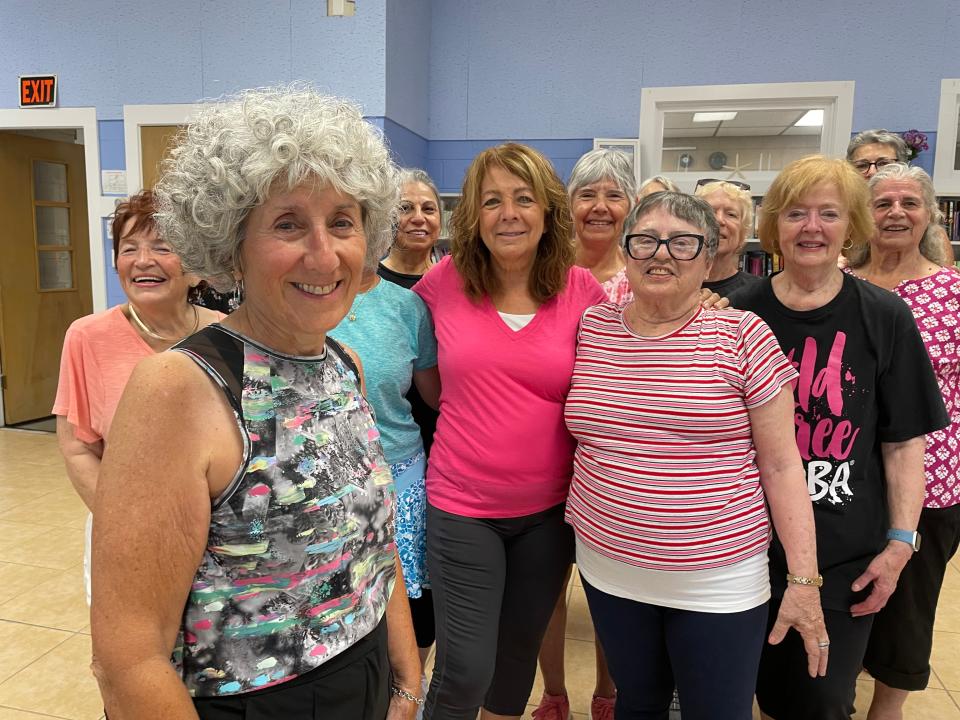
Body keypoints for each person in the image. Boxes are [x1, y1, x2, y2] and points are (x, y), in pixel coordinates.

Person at [90, 86, 421, 720]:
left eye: (343, 221)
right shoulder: (179, 390)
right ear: (231, 242)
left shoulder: (341, 364)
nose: (324, 254)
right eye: (289, 223)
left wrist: (405, 678)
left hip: (367, 673)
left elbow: (371, 543)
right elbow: (127, 661)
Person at [564, 190, 826, 720]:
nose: (661, 254)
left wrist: (803, 581)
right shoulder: (592, 328)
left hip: (718, 578)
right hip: (609, 567)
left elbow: (781, 465)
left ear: (709, 259)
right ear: (626, 251)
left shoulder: (742, 334)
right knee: (637, 705)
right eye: (646, 240)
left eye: (683, 243)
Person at [728, 156, 948, 720]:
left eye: (829, 213)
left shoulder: (885, 315)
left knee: (818, 699)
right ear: (775, 225)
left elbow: (903, 443)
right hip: (741, 546)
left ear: (852, 226)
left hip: (843, 551)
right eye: (797, 213)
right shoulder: (737, 311)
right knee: (732, 691)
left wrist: (902, 543)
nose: (812, 227)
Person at [413, 143, 607, 720]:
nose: (509, 213)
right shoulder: (443, 283)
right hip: (463, 506)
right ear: (473, 215)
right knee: (465, 668)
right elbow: (426, 380)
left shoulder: (582, 291)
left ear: (548, 211)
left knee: (517, 663)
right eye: (491, 200)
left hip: (549, 514)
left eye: (524, 199)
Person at [53, 189, 222, 605]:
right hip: (126, 530)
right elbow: (77, 448)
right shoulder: (87, 337)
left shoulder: (227, 335)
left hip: (224, 537)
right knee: (133, 655)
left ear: (196, 269)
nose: (143, 261)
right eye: (129, 248)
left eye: (162, 247)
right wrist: (125, 526)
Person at [847, 163, 960, 720]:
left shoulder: (953, 292)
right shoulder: (836, 279)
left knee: (908, 614)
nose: (895, 213)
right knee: (840, 604)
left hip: (932, 484)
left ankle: (884, 710)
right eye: (882, 203)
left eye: (909, 203)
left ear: (930, 216)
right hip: (843, 476)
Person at [530, 149, 631, 720]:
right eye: (586, 195)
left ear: (630, 207)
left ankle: (608, 693)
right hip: (541, 455)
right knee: (548, 590)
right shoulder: (540, 273)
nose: (599, 207)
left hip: (611, 462)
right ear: (567, 207)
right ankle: (553, 692)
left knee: (610, 593)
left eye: (613, 195)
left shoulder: (644, 278)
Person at [330, 238, 441, 693]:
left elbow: (437, 398)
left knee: (412, 601)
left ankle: (407, 692)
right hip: (331, 480)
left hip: (402, 472)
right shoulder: (306, 299)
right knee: (343, 600)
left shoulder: (408, 307)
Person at [846, 128, 954, 265]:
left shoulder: (930, 232)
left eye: (883, 163)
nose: (872, 172)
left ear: (901, 166)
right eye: (862, 165)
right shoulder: (841, 221)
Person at [694, 179, 763, 296]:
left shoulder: (758, 292)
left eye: (731, 214)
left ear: (743, 232)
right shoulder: (672, 286)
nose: (719, 220)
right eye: (710, 212)